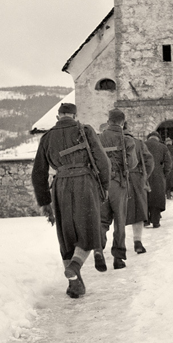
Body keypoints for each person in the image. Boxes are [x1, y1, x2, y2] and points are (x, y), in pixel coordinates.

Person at [31, 102, 110, 299]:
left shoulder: (47, 137)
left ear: (58, 117)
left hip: (60, 186)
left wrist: (45, 202)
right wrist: (104, 185)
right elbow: (102, 161)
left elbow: (38, 173)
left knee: (67, 234)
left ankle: (75, 285)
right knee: (88, 229)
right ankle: (75, 264)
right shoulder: (85, 130)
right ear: (74, 116)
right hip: (85, 182)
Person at [94, 109, 138, 270]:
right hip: (119, 183)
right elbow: (132, 164)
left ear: (109, 120)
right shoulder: (127, 140)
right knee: (120, 221)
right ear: (122, 122)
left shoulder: (98, 138)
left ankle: (98, 249)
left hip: (101, 184)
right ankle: (118, 258)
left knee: (103, 220)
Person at [124, 123, 154, 254]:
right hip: (136, 178)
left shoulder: (106, 140)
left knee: (112, 213)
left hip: (114, 179)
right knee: (137, 211)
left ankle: (103, 247)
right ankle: (137, 241)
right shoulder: (138, 143)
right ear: (128, 128)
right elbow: (149, 162)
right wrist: (144, 175)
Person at [145, 131, 172, 228]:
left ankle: (145, 220)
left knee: (145, 196)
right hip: (158, 175)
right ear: (158, 138)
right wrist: (164, 173)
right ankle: (155, 221)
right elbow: (168, 163)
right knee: (156, 196)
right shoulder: (163, 147)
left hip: (144, 175)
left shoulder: (142, 145)